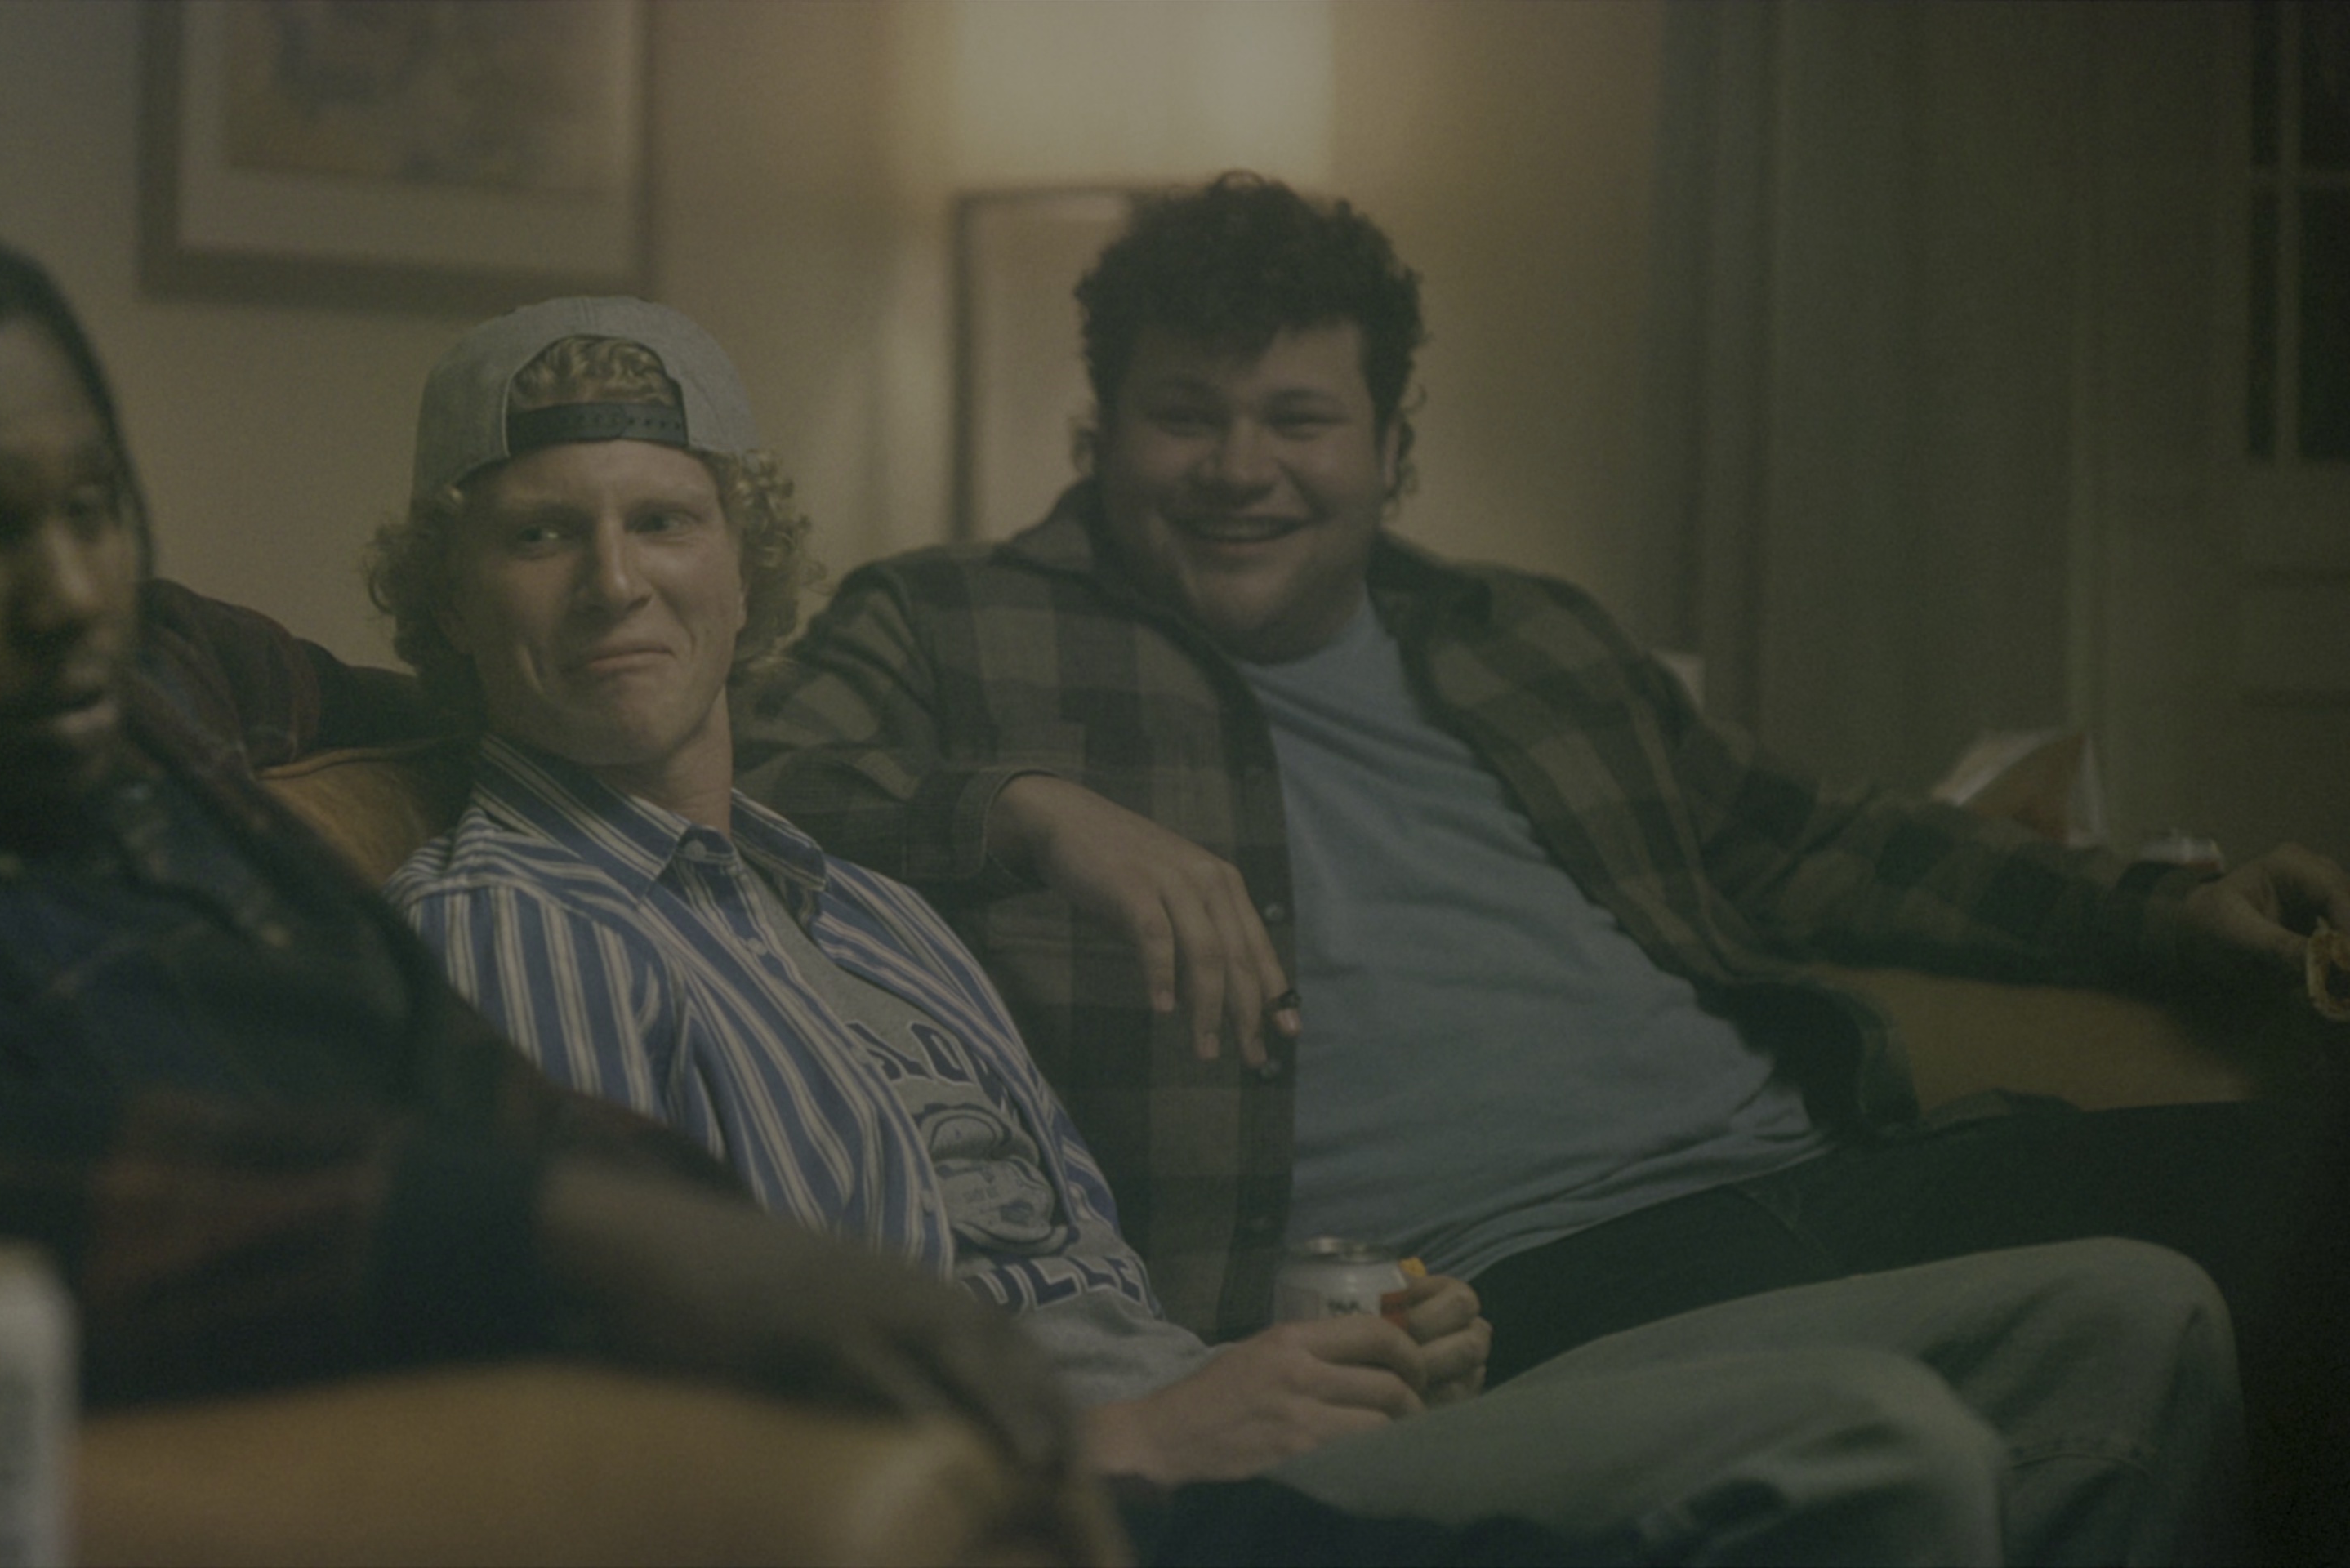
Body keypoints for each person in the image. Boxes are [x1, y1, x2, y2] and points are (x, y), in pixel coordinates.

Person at [371, 295, 2244, 1564]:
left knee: (2125, 1321)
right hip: (1081, 1508)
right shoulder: (514, 933)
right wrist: (1137, 1440)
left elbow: (1080, 1283)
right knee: (1868, 1445)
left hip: (1220, 1415)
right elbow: (614, 1443)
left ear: (744, 564)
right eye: (538, 535)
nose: (614, 582)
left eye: (663, 521)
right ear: (448, 599)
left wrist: (1309, 1360)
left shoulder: (867, 909)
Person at [0, 194, 1085, 1518]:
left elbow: (511, 778)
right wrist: (566, 1238)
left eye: (93, 507)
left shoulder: (141, 736)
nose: (70, 594)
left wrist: (739, 1250)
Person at [733, 171, 2350, 1382]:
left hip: (1825, 1169)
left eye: (1299, 418)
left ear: (1392, 447)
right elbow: (751, 779)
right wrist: (1030, 810)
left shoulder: (1528, 636)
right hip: (1504, 1285)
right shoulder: (951, 626)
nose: (1240, 469)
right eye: (1184, 417)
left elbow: (1811, 841)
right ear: (1099, 435)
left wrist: (2168, 910)